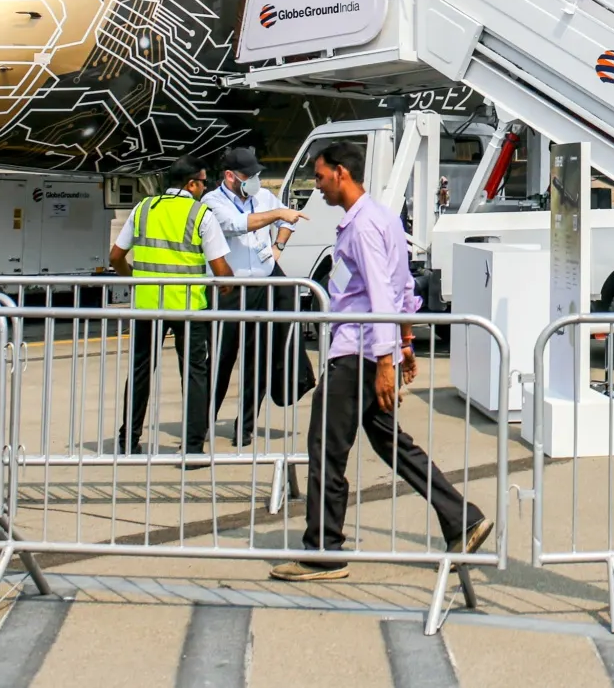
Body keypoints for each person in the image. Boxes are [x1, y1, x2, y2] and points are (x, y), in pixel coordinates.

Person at [272, 141, 491, 580]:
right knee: (392, 444)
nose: (317, 186)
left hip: (357, 352)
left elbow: (379, 293)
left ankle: (323, 549)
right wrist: (404, 342)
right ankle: (462, 518)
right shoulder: (382, 217)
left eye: (319, 177)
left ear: (341, 174)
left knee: (326, 449)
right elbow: (401, 286)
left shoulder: (362, 227)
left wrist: (389, 360)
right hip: (372, 351)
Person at [111, 157, 233, 457]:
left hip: (147, 305)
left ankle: (128, 441)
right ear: (191, 183)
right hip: (188, 307)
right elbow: (220, 268)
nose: (205, 187)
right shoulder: (200, 213)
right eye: (203, 182)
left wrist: (134, 282)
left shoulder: (142, 209)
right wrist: (227, 284)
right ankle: (192, 448)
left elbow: (115, 256)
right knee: (194, 373)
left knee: (140, 371)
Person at [204, 147, 307, 448]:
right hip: (230, 290)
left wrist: (278, 247)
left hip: (264, 286)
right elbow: (235, 226)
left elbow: (288, 221)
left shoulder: (264, 198)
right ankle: (203, 423)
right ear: (230, 176)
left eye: (257, 175)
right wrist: (276, 214)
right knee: (221, 359)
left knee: (257, 359)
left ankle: (245, 426)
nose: (255, 181)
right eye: (249, 176)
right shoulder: (213, 201)